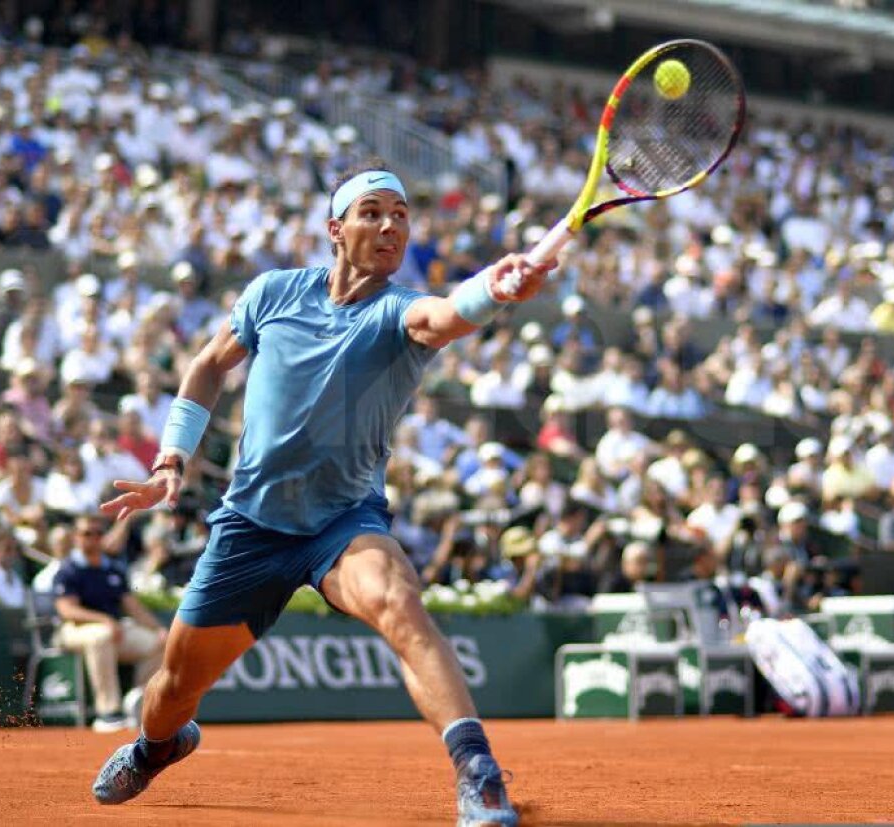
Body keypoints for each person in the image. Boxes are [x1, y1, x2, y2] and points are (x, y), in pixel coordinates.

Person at [92, 163, 552, 825]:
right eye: (372, 212)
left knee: (398, 601)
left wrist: (494, 288)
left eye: (400, 214)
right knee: (171, 690)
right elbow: (206, 366)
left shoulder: (399, 312)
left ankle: (478, 773)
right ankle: (157, 746)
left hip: (341, 522)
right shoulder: (273, 293)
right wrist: (171, 459)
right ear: (336, 229)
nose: (390, 224)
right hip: (250, 526)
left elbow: (446, 313)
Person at [54, 513, 168, 733]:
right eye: (87, 533)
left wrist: (159, 629)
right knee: (101, 636)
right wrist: (104, 620)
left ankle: (138, 699)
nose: (94, 538)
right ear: (76, 537)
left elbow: (133, 607)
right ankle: (108, 712)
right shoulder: (68, 569)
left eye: (98, 533)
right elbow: (66, 610)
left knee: (159, 642)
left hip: (114, 630)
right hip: (74, 631)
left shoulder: (113, 568)